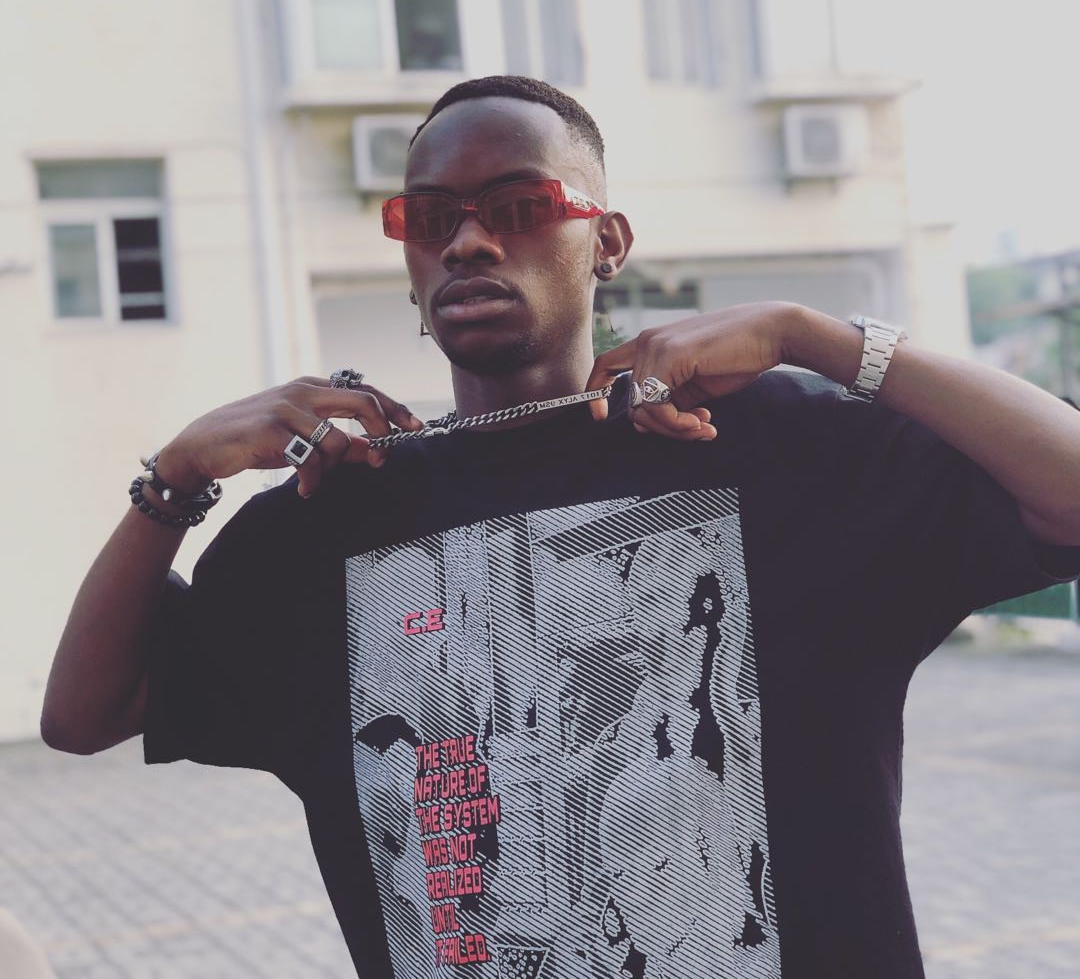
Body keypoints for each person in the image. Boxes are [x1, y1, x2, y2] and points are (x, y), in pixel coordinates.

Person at [42, 75, 1080, 979]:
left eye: (520, 205)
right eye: (430, 216)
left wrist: (815, 336)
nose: (469, 240)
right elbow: (87, 715)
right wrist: (175, 478)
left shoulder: (775, 449)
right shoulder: (328, 522)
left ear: (607, 243)